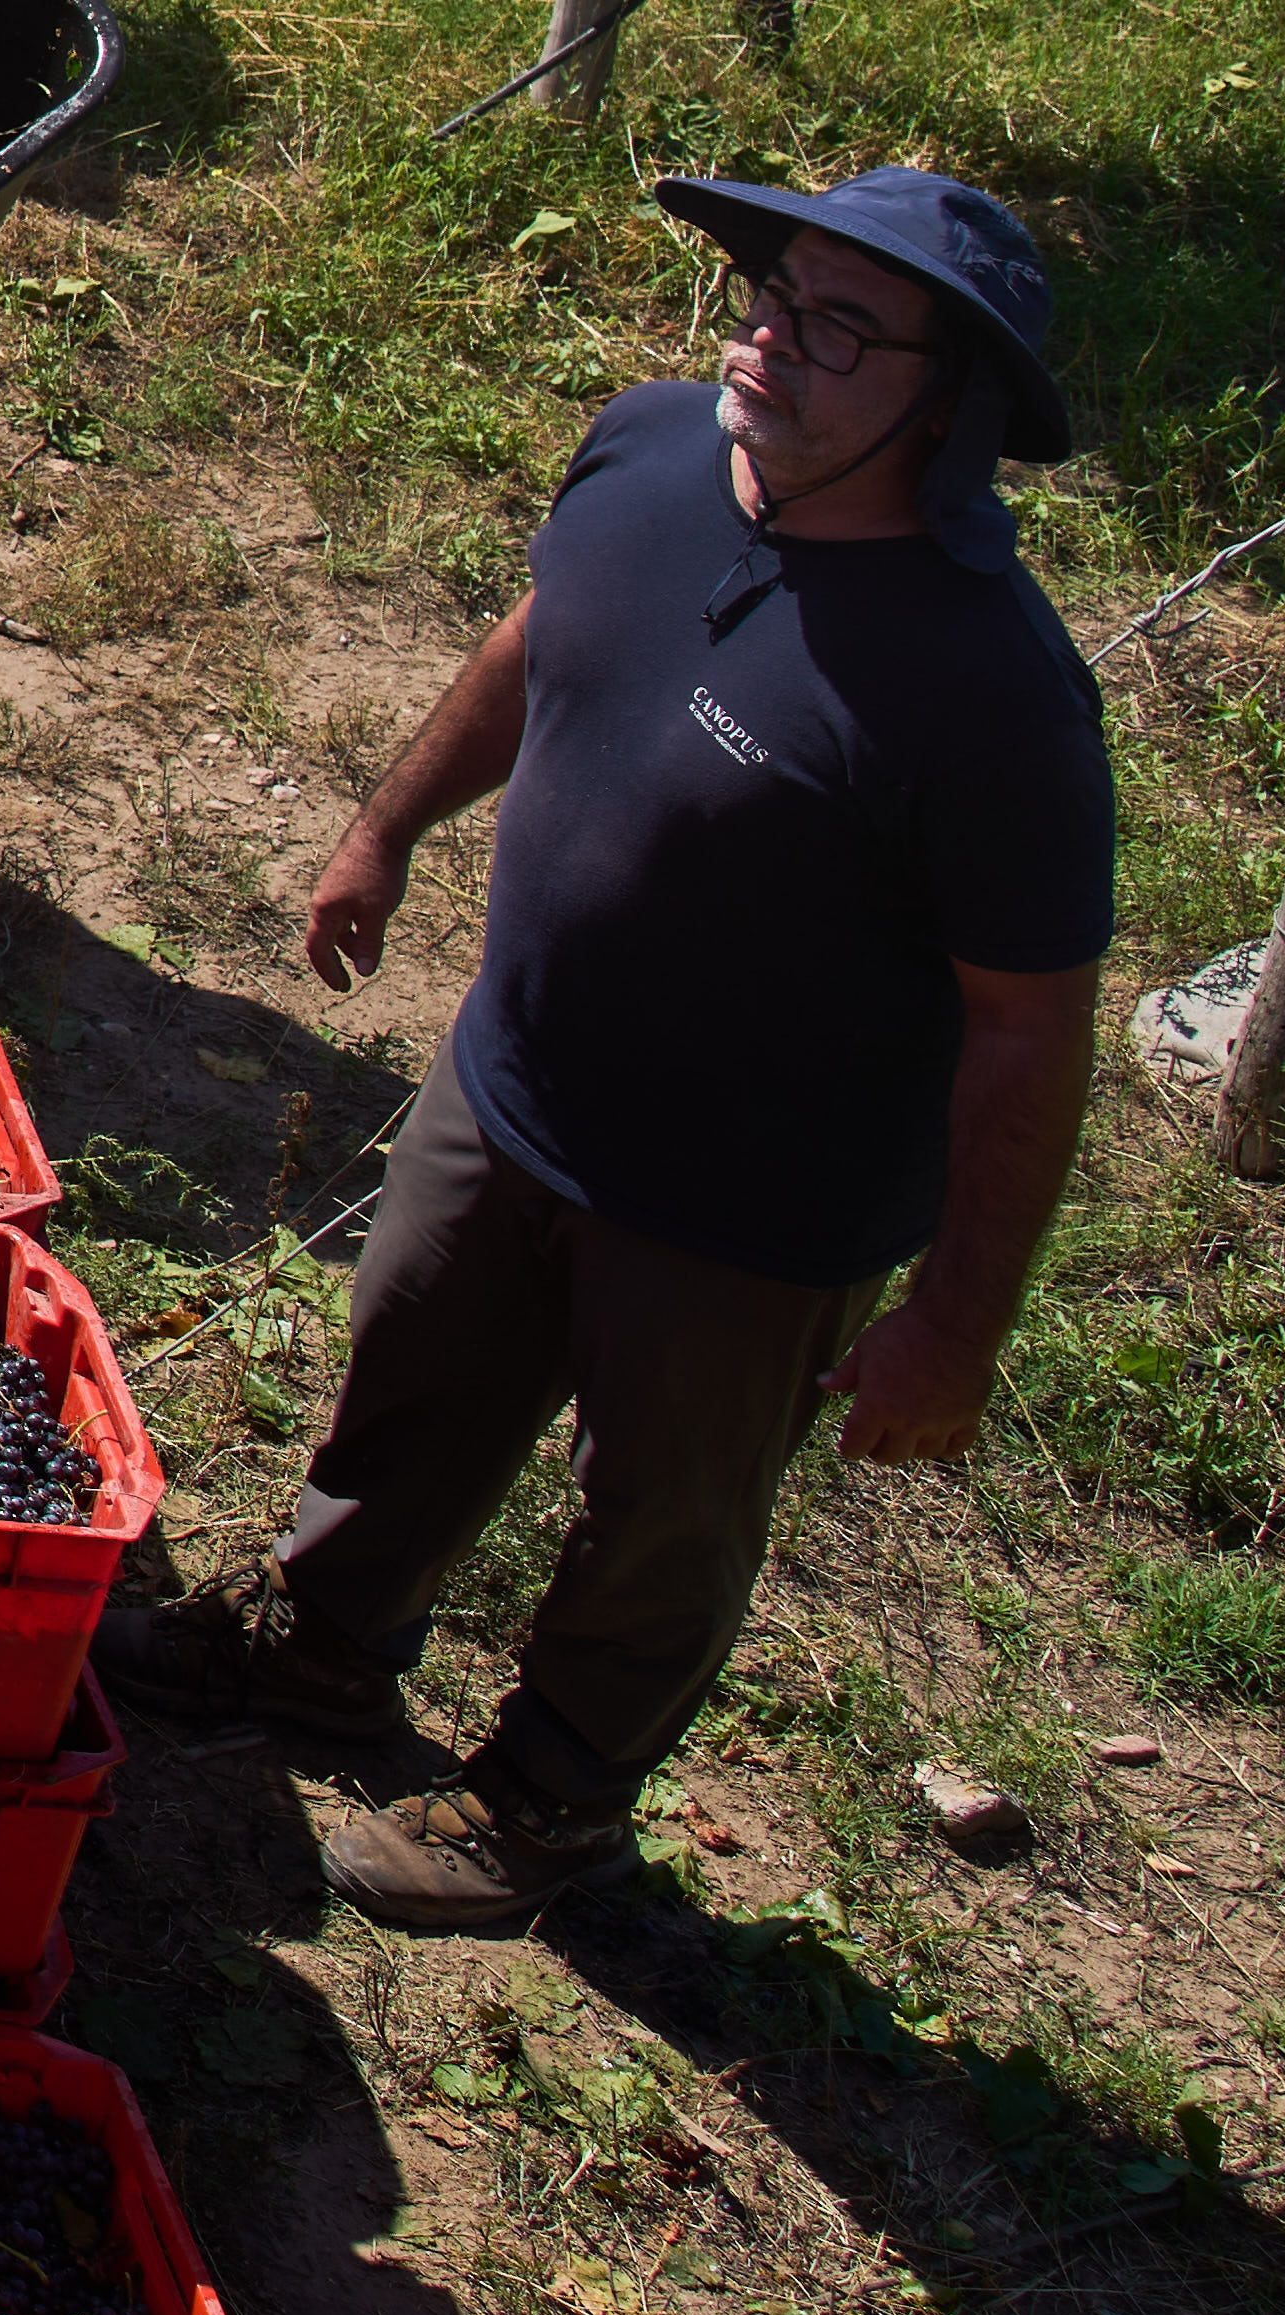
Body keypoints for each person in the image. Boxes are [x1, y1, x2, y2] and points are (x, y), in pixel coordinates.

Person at [115, 165, 1117, 1939]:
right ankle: (327, 1648)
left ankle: (555, 1800)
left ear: (945, 406)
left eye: (836, 329)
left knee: (658, 1518)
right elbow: (537, 642)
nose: (771, 346)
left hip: (742, 1211)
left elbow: (1030, 1028)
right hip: (514, 1087)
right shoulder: (651, 455)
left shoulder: (989, 693)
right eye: (772, 297)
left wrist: (955, 1323)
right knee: (410, 1362)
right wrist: (386, 827)